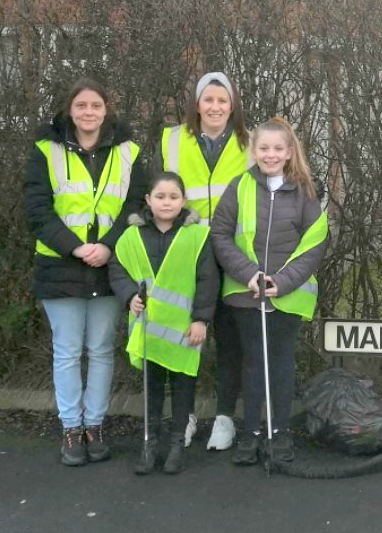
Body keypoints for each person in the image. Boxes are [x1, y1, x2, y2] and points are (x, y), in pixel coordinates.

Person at [24, 78, 148, 466]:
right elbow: (38, 211)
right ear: (70, 110)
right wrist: (77, 247)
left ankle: (94, 426)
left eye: (96, 105)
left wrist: (108, 245)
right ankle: (71, 430)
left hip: (109, 266)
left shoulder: (129, 151)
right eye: (81, 106)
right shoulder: (46, 150)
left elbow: (136, 205)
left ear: (106, 109)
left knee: (100, 350)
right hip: (61, 266)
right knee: (66, 351)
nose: (89, 112)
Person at [211, 117, 328, 465]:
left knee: (280, 364)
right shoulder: (239, 186)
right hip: (246, 293)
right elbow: (220, 234)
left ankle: (279, 433)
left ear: (290, 152)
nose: (271, 154)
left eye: (278, 148)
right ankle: (251, 433)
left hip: (288, 294)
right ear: (254, 151)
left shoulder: (306, 191)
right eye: (264, 148)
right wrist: (249, 275)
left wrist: (284, 281)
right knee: (251, 364)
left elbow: (315, 243)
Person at [157, 72, 250, 450]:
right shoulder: (173, 139)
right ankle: (186, 416)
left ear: (232, 106)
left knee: (229, 341)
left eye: (222, 101)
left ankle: (225, 417)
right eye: (208, 100)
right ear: (197, 104)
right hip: (188, 252)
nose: (215, 107)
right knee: (187, 338)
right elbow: (162, 190)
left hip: (234, 253)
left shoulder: (250, 140)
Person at [109, 172, 219, 474]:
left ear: (183, 200)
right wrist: (129, 295)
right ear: (148, 200)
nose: (167, 202)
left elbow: (208, 281)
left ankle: (175, 446)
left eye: (173, 196)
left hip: (186, 330)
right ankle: (149, 444)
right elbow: (117, 269)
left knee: (183, 389)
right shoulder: (132, 236)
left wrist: (201, 320)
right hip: (149, 330)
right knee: (153, 389)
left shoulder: (198, 236)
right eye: (160, 196)